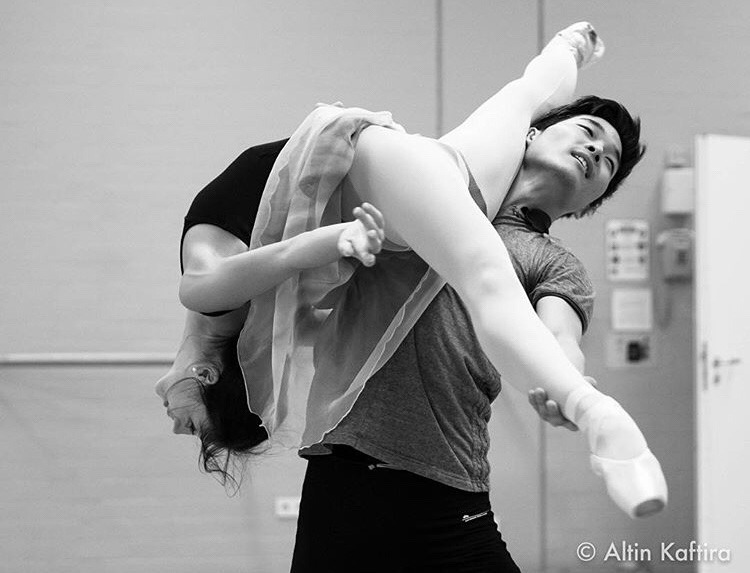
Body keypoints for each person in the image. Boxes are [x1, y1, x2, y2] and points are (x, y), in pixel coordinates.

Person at [159, 22, 665, 524]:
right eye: (589, 133)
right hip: (421, 174)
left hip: (378, 163)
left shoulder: (212, 296)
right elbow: (319, 319)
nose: (598, 150)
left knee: (488, 280)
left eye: (609, 159)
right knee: (524, 95)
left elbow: (559, 330)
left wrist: (335, 241)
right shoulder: (256, 313)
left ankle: (595, 412)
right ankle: (570, 45)